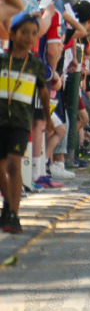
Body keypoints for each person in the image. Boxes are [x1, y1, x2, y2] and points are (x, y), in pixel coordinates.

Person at [0, 14, 54, 234]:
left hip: (21, 123)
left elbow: (44, 94)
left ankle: (14, 214)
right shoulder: (3, 60)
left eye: (34, 33)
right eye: (24, 33)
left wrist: (48, 118)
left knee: (14, 164)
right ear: (13, 34)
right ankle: (8, 205)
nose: (30, 38)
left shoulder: (35, 65)